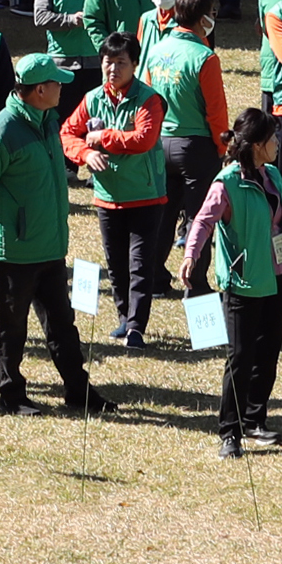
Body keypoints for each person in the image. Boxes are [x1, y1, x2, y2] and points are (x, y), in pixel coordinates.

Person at [0, 51, 98, 417]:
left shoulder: (46, 120)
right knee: (11, 329)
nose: (62, 88)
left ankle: (78, 390)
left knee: (62, 325)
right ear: (40, 89)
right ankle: (12, 395)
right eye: (57, 83)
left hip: (49, 245)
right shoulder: (2, 131)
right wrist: (2, 220)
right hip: (15, 250)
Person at [182, 107, 282, 452]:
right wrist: (191, 254)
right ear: (258, 144)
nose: (278, 142)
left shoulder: (273, 174)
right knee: (241, 356)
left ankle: (254, 419)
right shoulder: (226, 182)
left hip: (277, 279)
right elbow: (202, 221)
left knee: (268, 353)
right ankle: (229, 431)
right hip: (244, 282)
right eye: (273, 137)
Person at [64, 35, 172, 346]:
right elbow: (68, 133)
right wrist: (86, 154)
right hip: (107, 197)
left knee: (140, 264)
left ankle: (137, 327)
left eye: (121, 63)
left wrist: (102, 138)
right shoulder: (93, 97)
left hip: (146, 196)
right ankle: (124, 318)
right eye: (108, 62)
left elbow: (144, 139)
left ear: (135, 65)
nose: (113, 69)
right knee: (116, 264)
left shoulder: (149, 99)